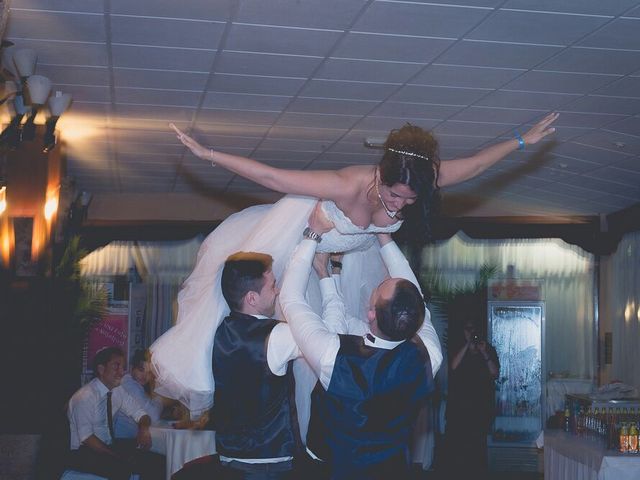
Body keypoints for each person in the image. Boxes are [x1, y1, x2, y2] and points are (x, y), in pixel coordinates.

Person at [150, 113, 558, 425]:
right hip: (305, 234)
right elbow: (274, 176)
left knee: (343, 336)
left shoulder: (418, 178)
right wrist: (209, 155)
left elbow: (473, 166)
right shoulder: (349, 184)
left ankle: (327, 426)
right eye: (394, 195)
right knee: (252, 306)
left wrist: (521, 140)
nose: (398, 205)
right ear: (382, 176)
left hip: (356, 252)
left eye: (410, 201)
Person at [279, 204, 437, 479]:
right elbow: (413, 294)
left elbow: (291, 299)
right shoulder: (429, 355)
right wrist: (382, 234)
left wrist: (312, 235)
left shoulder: (333, 356)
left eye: (377, 290)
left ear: (371, 313)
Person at [212, 251, 302, 479]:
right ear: (251, 298)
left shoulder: (219, 330)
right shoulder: (278, 334)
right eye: (272, 286)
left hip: (228, 459)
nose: (278, 291)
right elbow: (323, 344)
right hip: (268, 460)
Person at [66, 346, 165, 480]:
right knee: (122, 469)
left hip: (109, 447)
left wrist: (143, 428)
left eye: (123, 367)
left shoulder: (117, 391)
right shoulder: (84, 397)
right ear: (101, 369)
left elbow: (141, 414)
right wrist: (116, 455)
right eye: (116, 367)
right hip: (84, 452)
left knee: (159, 462)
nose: (121, 372)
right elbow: (87, 438)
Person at [445, 318, 500, 479]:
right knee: (459, 447)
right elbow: (453, 366)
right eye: (467, 330)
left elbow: (495, 373)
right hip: (459, 408)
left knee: (477, 448)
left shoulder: (488, 349)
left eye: (473, 330)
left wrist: (484, 353)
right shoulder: (458, 347)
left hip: (480, 408)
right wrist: (466, 345)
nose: (470, 333)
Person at [114, 349, 163, 438]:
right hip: (122, 442)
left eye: (149, 373)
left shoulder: (138, 385)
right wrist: (160, 400)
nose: (144, 376)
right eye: (141, 370)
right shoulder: (128, 383)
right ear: (132, 368)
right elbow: (153, 417)